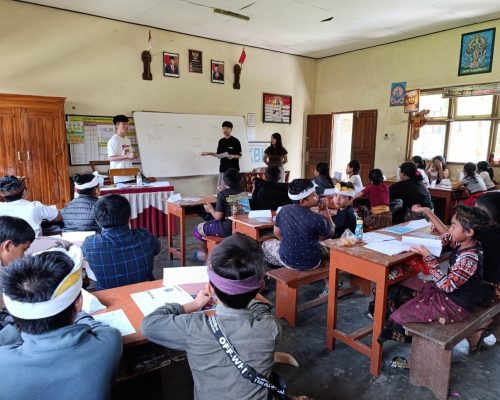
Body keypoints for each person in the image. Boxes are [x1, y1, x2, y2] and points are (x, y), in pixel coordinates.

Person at [142, 234, 280, 400]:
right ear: (261, 287)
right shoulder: (271, 328)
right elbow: (262, 309)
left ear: (210, 287)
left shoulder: (194, 328)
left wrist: (194, 305)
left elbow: (149, 324)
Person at [0, 250, 123, 400]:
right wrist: (81, 315)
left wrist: (12, 332)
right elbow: (101, 328)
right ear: (79, 303)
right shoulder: (109, 343)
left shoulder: (4, 362)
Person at [382, 206, 491, 344]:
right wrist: (438, 240)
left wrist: (428, 257)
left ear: (469, 231)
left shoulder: (469, 259)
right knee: (403, 282)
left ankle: (401, 330)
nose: (449, 229)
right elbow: (449, 237)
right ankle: (392, 310)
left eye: (453, 226)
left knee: (400, 316)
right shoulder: (466, 243)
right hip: (450, 294)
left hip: (455, 304)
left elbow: (446, 286)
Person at [81, 194, 161, 290]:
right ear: (129, 217)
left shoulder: (90, 244)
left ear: (97, 221)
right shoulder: (145, 236)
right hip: (145, 295)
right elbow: (157, 249)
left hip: (109, 299)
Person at [261, 179, 333, 270]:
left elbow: (277, 233)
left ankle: (272, 271)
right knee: (325, 245)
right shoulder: (317, 218)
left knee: (265, 244)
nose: (317, 196)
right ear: (302, 201)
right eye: (314, 195)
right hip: (312, 262)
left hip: (287, 259)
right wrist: (325, 210)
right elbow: (330, 233)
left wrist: (290, 243)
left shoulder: (283, 210)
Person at [193, 169, 247, 261]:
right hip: (239, 227)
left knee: (197, 229)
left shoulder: (222, 194)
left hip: (226, 229)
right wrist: (225, 192)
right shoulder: (243, 192)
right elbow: (239, 208)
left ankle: (204, 254)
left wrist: (210, 209)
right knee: (211, 223)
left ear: (225, 181)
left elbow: (218, 216)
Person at [201, 121, 242, 189]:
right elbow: (218, 155)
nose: (224, 130)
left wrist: (233, 156)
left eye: (227, 128)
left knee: (234, 190)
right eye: (223, 128)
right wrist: (208, 153)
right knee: (222, 189)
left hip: (233, 170)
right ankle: (222, 199)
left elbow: (239, 155)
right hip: (223, 169)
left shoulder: (236, 141)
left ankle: (233, 199)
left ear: (231, 129)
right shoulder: (221, 141)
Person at [107, 114, 137, 184]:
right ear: (117, 126)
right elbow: (110, 158)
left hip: (130, 174)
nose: (126, 126)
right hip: (119, 177)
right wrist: (127, 156)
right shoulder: (113, 140)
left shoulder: (127, 139)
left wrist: (133, 156)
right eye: (123, 124)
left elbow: (129, 155)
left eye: (127, 124)